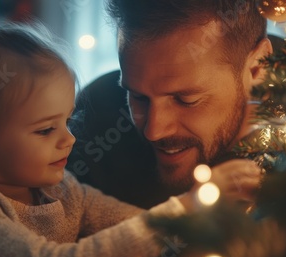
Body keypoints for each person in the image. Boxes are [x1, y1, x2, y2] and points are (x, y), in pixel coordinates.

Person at [0, 2, 262, 257]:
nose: (70, 140)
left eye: (186, 98)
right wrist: (190, 205)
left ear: (256, 70)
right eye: (45, 129)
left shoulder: (64, 191)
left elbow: (136, 226)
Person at [68, 0, 273, 209]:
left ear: (258, 66)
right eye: (137, 97)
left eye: (186, 100)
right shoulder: (97, 112)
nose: (154, 131)